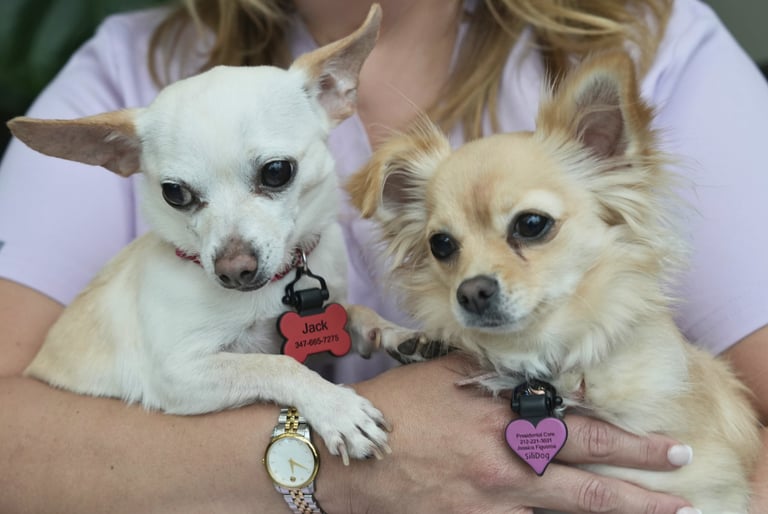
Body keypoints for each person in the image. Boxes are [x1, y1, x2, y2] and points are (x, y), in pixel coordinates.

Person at [0, 0, 766, 512]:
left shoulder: (651, 38)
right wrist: (331, 464)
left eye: (531, 226)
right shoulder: (135, 81)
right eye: (442, 245)